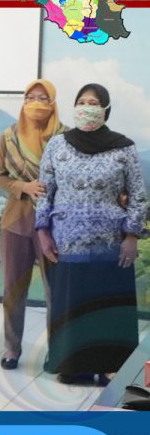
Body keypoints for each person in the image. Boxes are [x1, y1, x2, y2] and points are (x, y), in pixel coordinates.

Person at [36, 83, 145, 386]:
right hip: (67, 242)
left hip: (110, 244)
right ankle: (72, 365)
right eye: (82, 102)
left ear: (105, 109)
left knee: (109, 305)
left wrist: (132, 235)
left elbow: (138, 196)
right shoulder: (57, 145)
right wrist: (42, 231)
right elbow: (45, 192)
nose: (87, 108)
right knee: (72, 305)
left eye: (94, 103)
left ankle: (112, 365)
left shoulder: (124, 147)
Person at [0, 79, 67, 370]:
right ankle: (12, 349)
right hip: (17, 222)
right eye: (30, 97)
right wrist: (23, 186)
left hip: (55, 226)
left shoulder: (66, 138)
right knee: (13, 291)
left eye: (43, 98)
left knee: (55, 292)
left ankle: (57, 351)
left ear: (53, 103)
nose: (36, 103)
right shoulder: (9, 136)